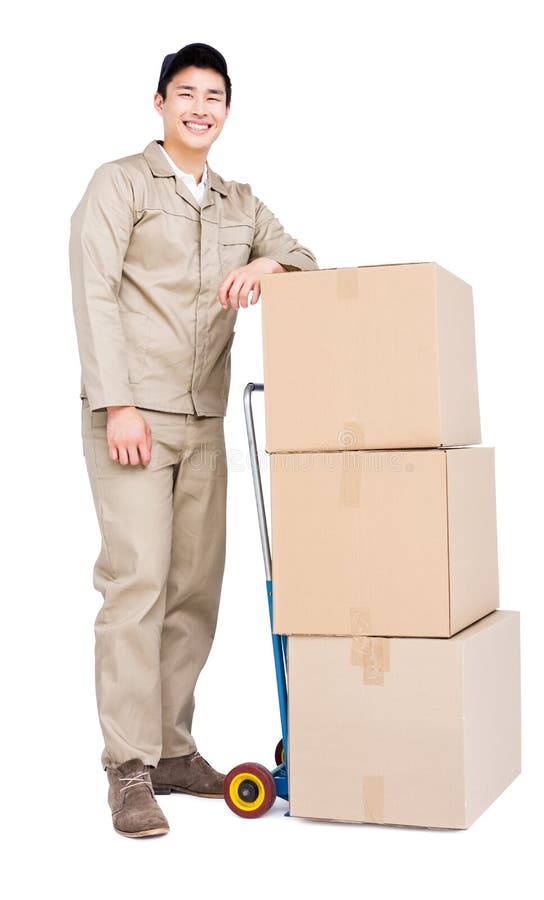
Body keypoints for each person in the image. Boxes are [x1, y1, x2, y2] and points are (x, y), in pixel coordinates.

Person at [69, 42, 318, 839]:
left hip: (206, 419)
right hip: (133, 417)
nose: (200, 107)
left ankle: (174, 750)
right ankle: (128, 768)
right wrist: (118, 405)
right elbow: (94, 294)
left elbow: (309, 263)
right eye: (186, 93)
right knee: (136, 585)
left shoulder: (241, 202)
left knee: (193, 592)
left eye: (214, 96)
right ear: (159, 103)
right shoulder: (121, 184)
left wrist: (271, 271)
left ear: (227, 111)